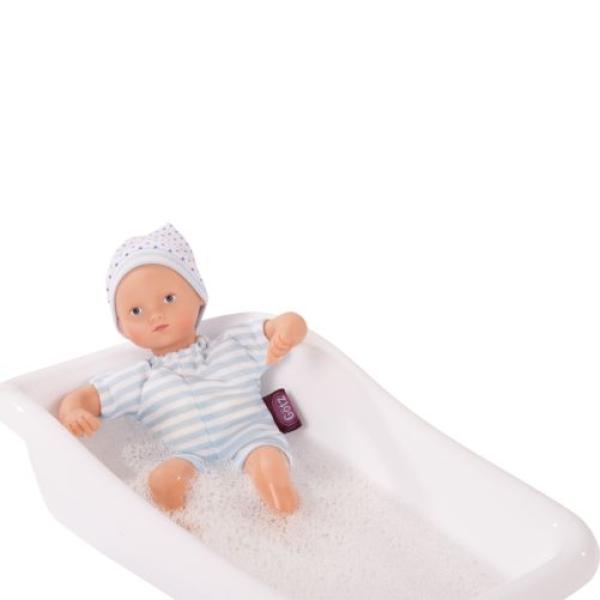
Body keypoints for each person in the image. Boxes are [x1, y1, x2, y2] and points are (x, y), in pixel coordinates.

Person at [58, 222, 306, 516]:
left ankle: (286, 525)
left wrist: (287, 332)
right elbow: (84, 397)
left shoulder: (232, 347)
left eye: (168, 298)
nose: (156, 315)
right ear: (123, 328)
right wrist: (74, 413)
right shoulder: (140, 381)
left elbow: (284, 322)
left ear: (199, 297)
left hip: (250, 440)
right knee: (162, 481)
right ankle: (192, 532)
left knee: (268, 465)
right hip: (191, 457)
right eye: (136, 311)